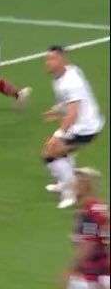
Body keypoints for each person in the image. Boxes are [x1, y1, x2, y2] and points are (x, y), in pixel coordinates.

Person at [41, 46, 106, 209]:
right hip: (82, 125)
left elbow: (73, 114)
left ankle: (70, 192)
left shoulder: (70, 82)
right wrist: (57, 110)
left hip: (86, 128)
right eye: (47, 59)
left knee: (50, 153)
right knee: (58, 152)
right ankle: (67, 180)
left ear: (63, 59)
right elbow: (69, 103)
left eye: (53, 59)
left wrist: (57, 135)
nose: (48, 62)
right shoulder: (64, 74)